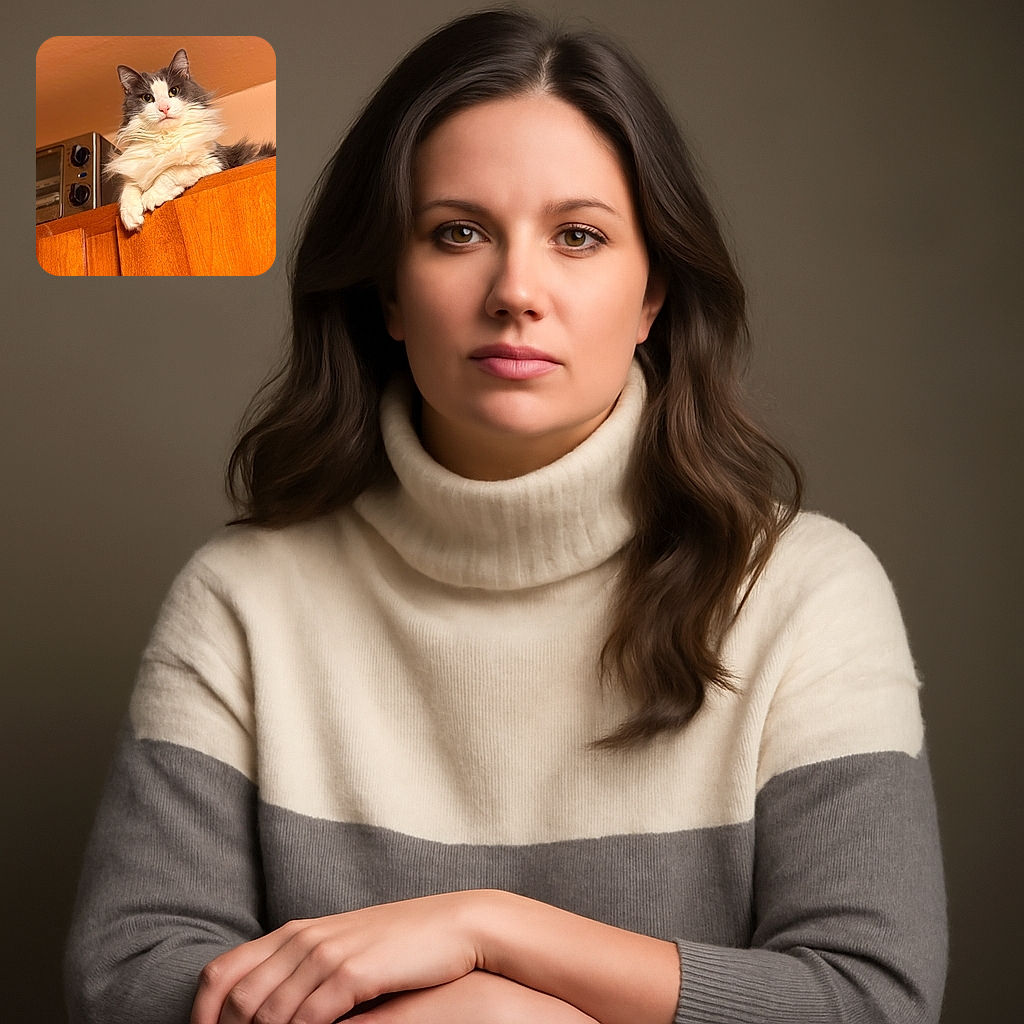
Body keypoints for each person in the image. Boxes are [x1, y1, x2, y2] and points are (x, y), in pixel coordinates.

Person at [64, 8, 946, 1024]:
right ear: (390, 291)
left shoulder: (805, 592)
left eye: (578, 236)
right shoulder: (243, 599)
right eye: (457, 233)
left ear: (652, 292)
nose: (516, 290)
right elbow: (132, 975)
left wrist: (493, 930)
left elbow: (870, 999)